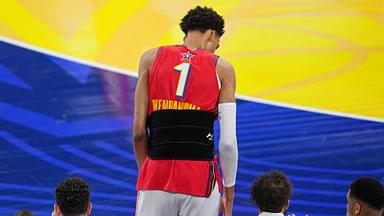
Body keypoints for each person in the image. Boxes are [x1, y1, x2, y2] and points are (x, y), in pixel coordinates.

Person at [133, 5, 238, 216]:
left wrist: (147, 174)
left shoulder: (149, 60)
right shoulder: (223, 69)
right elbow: (227, 143)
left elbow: (138, 133)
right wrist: (229, 192)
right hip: (200, 180)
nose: (215, 50)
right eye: (217, 45)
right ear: (211, 35)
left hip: (155, 176)